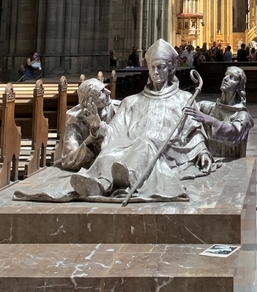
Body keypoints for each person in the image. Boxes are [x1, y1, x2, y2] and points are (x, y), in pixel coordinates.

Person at [69, 39, 213, 201]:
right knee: (112, 149)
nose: (156, 72)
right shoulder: (131, 101)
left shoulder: (183, 98)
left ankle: (125, 180)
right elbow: (113, 132)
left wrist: (202, 151)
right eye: (152, 67)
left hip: (164, 150)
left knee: (144, 144)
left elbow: (193, 130)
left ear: (170, 69)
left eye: (161, 67)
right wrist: (97, 126)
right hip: (128, 147)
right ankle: (100, 182)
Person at [190, 66, 254, 158]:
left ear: (239, 87)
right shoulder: (208, 107)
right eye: (226, 75)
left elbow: (234, 134)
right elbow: (188, 108)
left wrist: (209, 120)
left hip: (231, 163)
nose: (226, 79)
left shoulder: (242, 115)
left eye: (233, 78)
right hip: (207, 158)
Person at [60, 77, 120, 172]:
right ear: (90, 102)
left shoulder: (118, 108)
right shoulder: (76, 121)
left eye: (105, 88)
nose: (108, 92)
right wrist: (94, 133)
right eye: (101, 92)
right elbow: (68, 160)